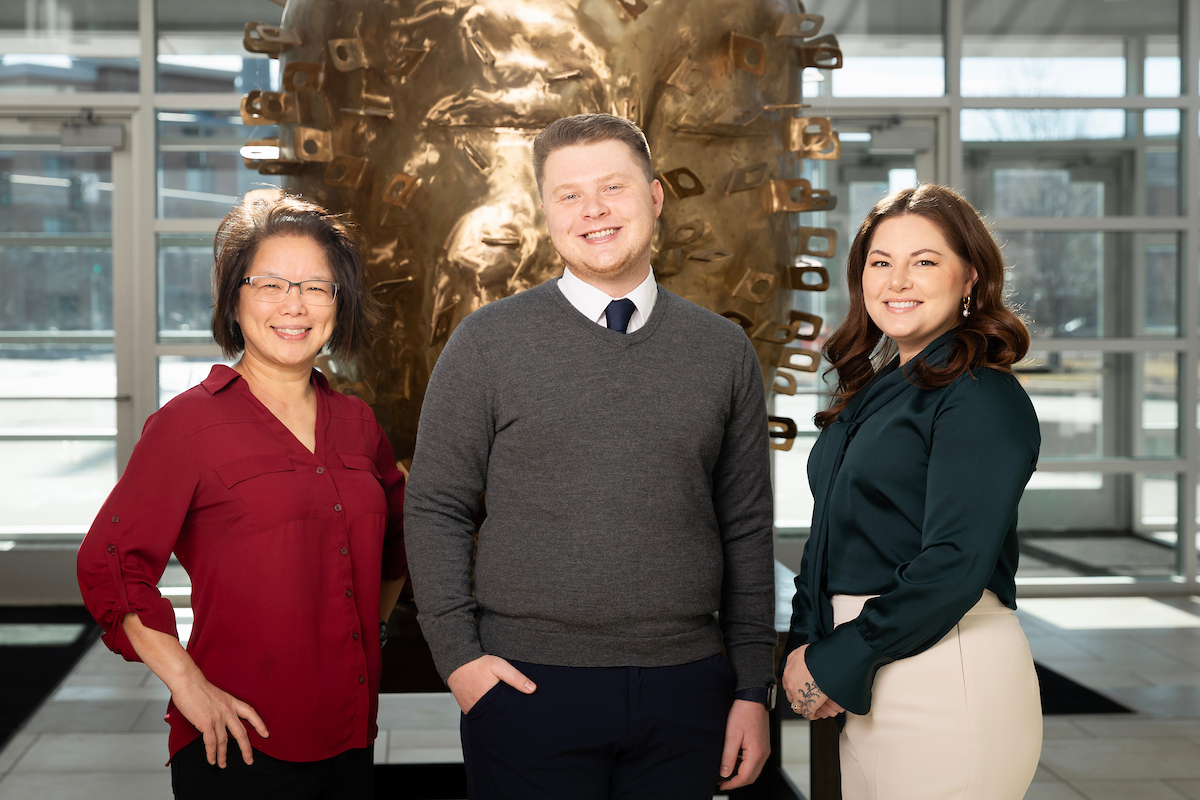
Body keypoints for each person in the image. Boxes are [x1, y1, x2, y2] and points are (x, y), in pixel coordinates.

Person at [404, 113, 778, 798]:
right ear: (545, 211)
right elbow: (436, 508)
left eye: (613, 187)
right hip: (526, 683)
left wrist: (754, 686)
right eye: (569, 195)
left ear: (656, 197)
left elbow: (747, 525)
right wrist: (461, 662)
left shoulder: (722, 352)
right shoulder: (485, 344)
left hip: (687, 685)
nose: (594, 211)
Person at [76, 191, 408, 799]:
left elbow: (396, 545)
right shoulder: (187, 426)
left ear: (340, 303)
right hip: (235, 742)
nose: (295, 305)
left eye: (316, 286)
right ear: (234, 300)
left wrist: (370, 633)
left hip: (351, 733)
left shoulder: (359, 424)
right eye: (271, 284)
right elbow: (111, 564)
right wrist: (188, 685)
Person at [781, 183, 1043, 799]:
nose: (898, 281)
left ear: (970, 278)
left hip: (943, 673)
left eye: (924, 262)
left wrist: (838, 659)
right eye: (880, 263)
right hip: (871, 667)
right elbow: (830, 535)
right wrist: (807, 640)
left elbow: (954, 564)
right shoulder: (878, 390)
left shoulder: (979, 395)